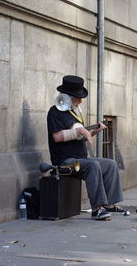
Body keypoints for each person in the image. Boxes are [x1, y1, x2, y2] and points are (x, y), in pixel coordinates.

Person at [47, 75, 126, 220]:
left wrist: (94, 132)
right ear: (68, 97)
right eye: (77, 97)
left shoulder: (74, 113)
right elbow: (57, 137)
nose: (80, 101)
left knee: (111, 164)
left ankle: (109, 205)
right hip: (65, 161)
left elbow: (78, 137)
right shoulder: (54, 112)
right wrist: (79, 131)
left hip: (80, 159)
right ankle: (97, 209)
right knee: (93, 165)